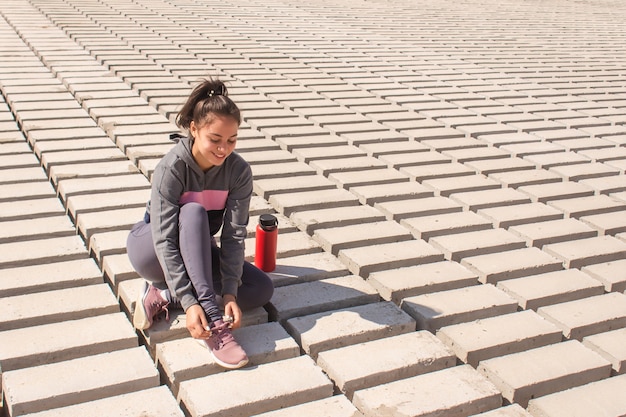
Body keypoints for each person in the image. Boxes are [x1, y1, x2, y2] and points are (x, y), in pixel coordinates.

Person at [126, 77, 274, 369]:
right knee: (192, 212)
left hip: (196, 249)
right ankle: (213, 325)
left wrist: (230, 290)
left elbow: (233, 235)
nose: (224, 149)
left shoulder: (239, 172)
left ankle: (165, 293)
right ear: (194, 129)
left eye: (231, 140)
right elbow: (165, 239)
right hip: (150, 249)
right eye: (215, 140)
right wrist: (195, 304)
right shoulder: (172, 167)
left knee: (259, 289)